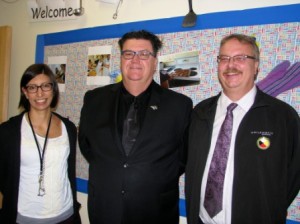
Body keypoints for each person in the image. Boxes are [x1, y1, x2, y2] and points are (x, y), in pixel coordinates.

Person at [78, 30, 193, 224]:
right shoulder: (94, 99)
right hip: (105, 209)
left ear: (155, 62)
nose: (135, 60)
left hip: (155, 210)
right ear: (121, 59)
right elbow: (87, 147)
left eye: (144, 54)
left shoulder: (179, 105)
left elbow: (182, 158)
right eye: (129, 54)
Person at [185, 33, 300, 224]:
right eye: (224, 58)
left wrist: (266, 209)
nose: (230, 65)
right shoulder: (200, 113)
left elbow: (294, 175)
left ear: (256, 66)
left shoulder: (282, 116)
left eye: (240, 58)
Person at [0, 64, 81, 223]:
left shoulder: (68, 128)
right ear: (25, 92)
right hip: (25, 217)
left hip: (65, 215)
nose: (40, 93)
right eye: (32, 87)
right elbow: (4, 178)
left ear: (53, 89)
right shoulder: (8, 131)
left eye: (45, 86)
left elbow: (67, 172)